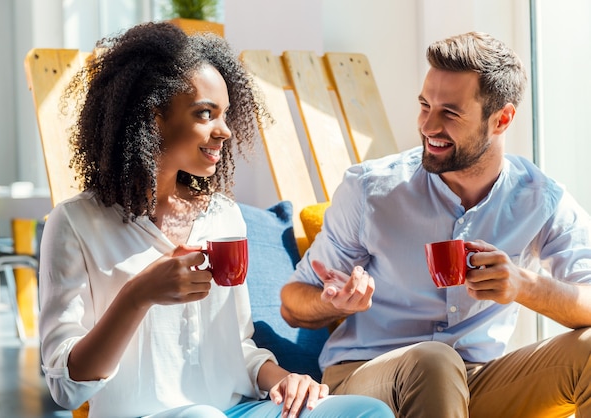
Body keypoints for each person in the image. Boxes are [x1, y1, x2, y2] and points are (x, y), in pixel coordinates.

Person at [37, 22, 394, 418]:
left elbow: (237, 347)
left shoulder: (222, 217)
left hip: (234, 411)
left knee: (367, 412)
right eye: (205, 114)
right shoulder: (74, 224)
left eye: (225, 115)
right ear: (153, 117)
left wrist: (284, 380)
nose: (224, 131)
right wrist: (137, 295)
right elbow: (65, 388)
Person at [280, 31, 591, 418]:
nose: (428, 125)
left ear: (502, 119)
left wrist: (524, 285)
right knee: (434, 361)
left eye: (450, 112)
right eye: (425, 106)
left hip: (476, 379)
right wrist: (330, 301)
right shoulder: (370, 189)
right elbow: (293, 302)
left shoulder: (539, 199)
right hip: (366, 375)